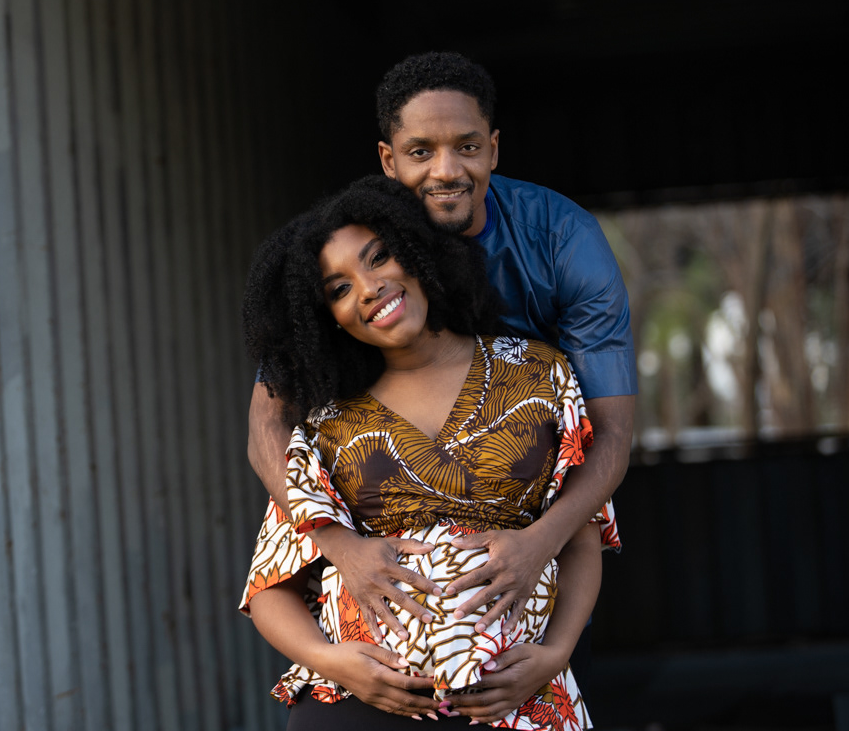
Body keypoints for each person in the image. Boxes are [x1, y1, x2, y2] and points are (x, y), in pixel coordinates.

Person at [246, 54, 636, 698]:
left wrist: (540, 545)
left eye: (467, 147)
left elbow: (609, 437)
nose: (447, 171)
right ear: (388, 160)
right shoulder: (346, 250)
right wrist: (340, 548)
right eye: (421, 151)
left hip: (528, 595)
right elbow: (267, 425)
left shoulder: (563, 242)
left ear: (494, 149)